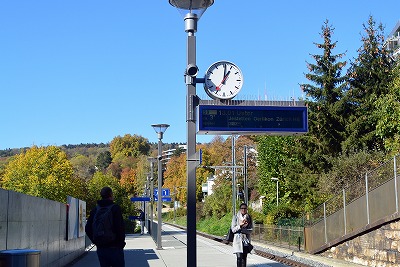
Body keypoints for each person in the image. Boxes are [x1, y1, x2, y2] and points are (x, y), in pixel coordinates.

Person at [85, 187, 126, 267]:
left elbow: (87, 228)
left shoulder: (95, 210)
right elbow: (120, 227)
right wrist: (121, 243)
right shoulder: (115, 208)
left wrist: (95, 241)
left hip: (101, 247)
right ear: (111, 195)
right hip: (115, 247)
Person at [231, 203, 253, 267]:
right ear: (240, 209)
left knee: (244, 257)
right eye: (242, 208)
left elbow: (251, 230)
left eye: (245, 208)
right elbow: (233, 229)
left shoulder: (249, 217)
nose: (243, 209)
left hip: (245, 240)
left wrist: (244, 230)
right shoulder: (235, 217)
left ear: (247, 209)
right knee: (239, 257)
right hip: (237, 239)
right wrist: (240, 226)